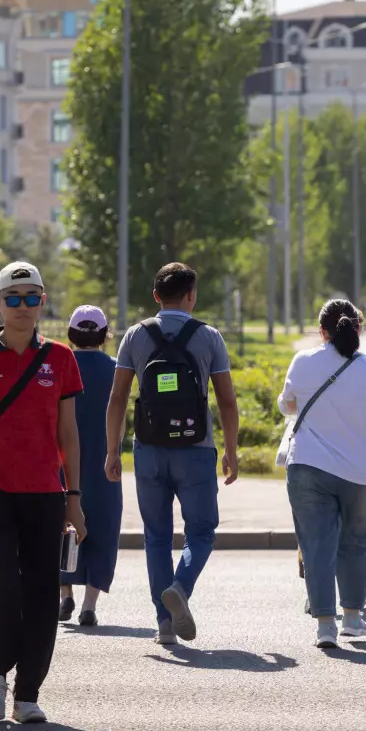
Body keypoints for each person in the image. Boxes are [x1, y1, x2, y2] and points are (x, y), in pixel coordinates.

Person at [0, 261, 86, 724]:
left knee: (42, 593)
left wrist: (75, 497)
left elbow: (69, 434)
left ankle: (29, 692)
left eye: (32, 298)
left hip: (45, 493)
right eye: (14, 298)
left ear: (42, 302)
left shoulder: (61, 358)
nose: (23, 307)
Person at [105, 263, 240, 646]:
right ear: (191, 295)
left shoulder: (135, 335)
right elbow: (227, 402)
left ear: (156, 297)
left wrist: (112, 451)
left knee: (157, 536)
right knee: (201, 531)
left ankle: (164, 624)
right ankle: (181, 586)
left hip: (148, 450)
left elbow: (117, 398)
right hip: (196, 449)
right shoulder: (208, 337)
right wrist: (230, 450)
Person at [279, 300, 366, 648]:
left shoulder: (302, 362)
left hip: (307, 467)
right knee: (354, 543)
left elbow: (289, 406)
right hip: (361, 473)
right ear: (358, 329)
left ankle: (325, 625)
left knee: (316, 545)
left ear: (321, 331)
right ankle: (352, 618)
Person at [59, 305, 123, 627]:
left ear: (71, 334)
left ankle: (65, 594)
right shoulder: (115, 369)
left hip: (63, 464)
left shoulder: (59, 365)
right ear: (104, 334)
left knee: (62, 528)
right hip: (104, 462)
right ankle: (89, 605)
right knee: (103, 530)